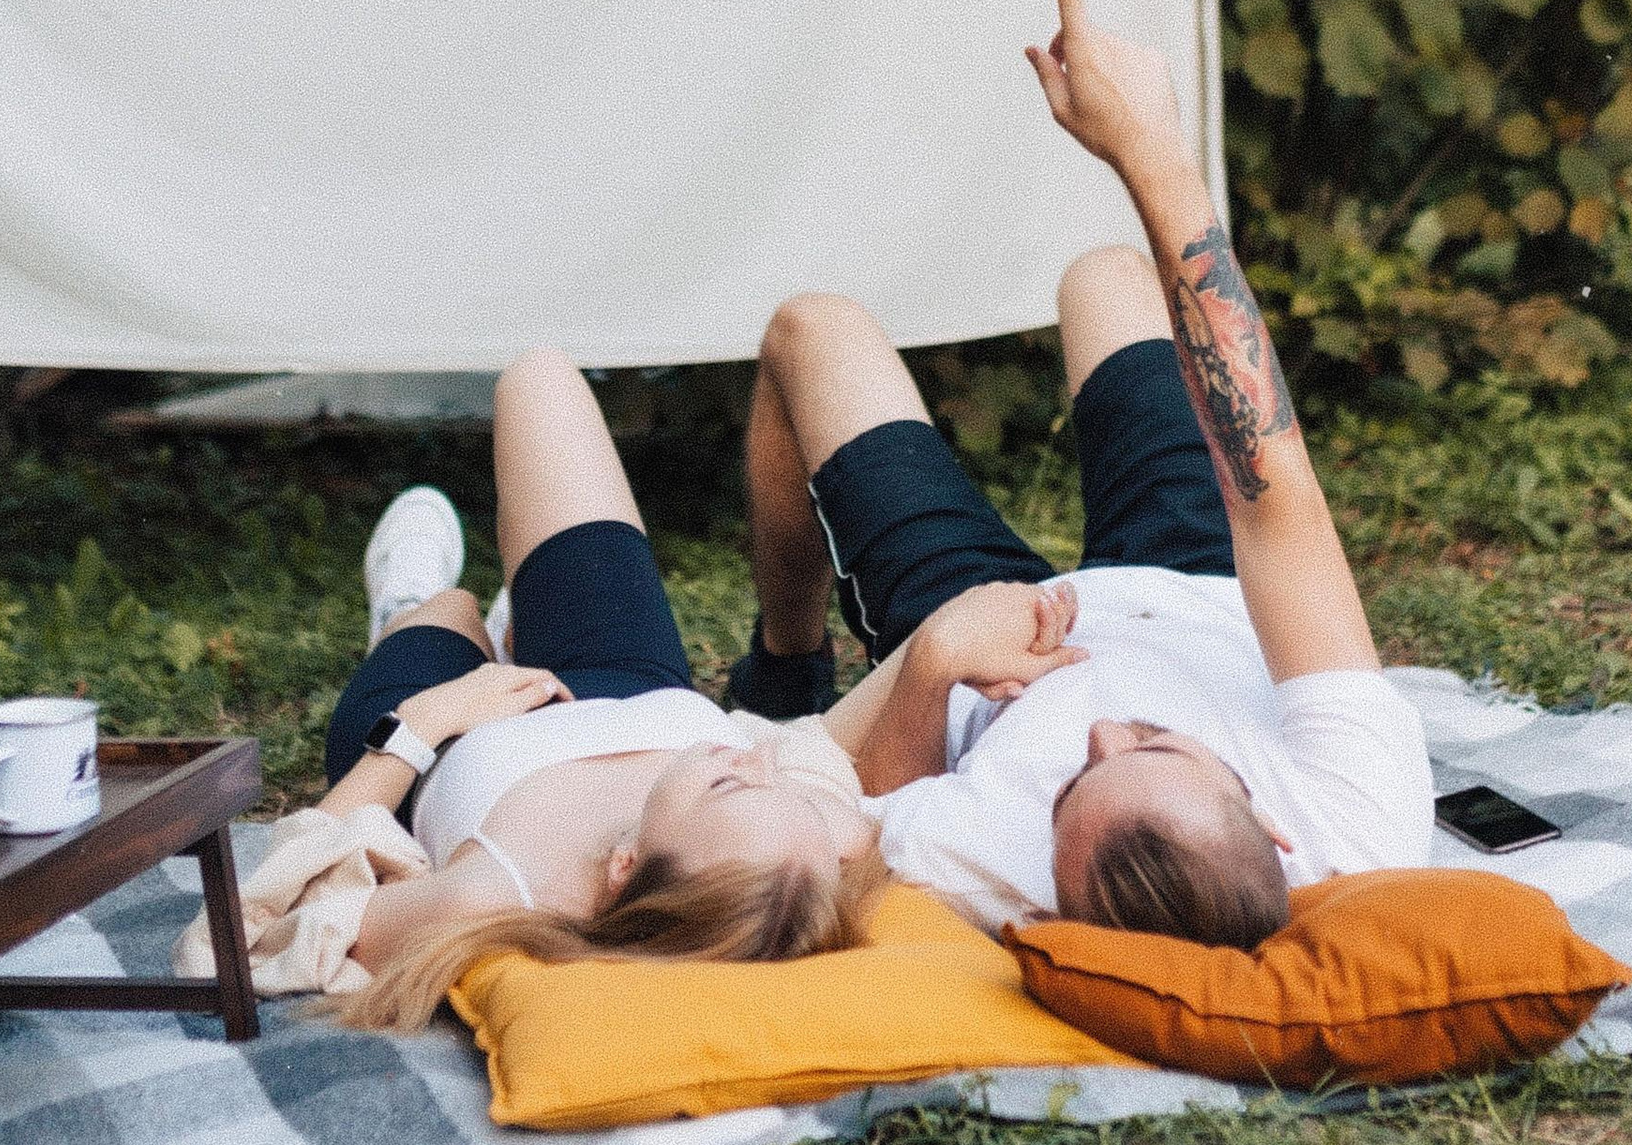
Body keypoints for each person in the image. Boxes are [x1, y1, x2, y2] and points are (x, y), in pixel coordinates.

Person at [728, 0, 1433, 944]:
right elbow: (1273, 499)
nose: (1099, 732)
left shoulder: (991, 864)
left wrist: (932, 669)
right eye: (1149, 746)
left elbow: (860, 788)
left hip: (985, 643)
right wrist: (1153, 152)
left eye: (1071, 784)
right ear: (1271, 831)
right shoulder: (1357, 818)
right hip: (1198, 583)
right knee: (1105, 277)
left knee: (814, 330)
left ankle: (782, 657)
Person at [304, 348, 1086, 1029]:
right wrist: (940, 654)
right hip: (629, 678)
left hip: (439, 736)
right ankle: (519, 617)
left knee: (452, 610)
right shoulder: (801, 846)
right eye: (771, 783)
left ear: (626, 864)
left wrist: (429, 718)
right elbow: (839, 754)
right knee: (538, 382)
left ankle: (411, 610)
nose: (749, 756)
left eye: (724, 780)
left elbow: (258, 917)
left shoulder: (494, 896)